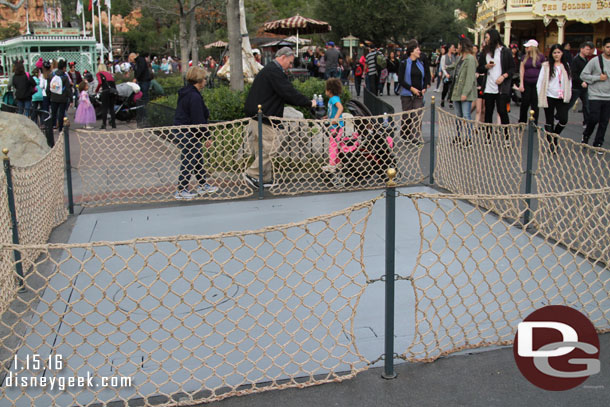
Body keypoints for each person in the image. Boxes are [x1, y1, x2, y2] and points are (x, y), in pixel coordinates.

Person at [243, 47, 316, 187]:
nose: (291, 65)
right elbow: (288, 92)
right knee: (271, 148)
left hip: (259, 115)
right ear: (282, 57)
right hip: (264, 117)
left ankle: (264, 178)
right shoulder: (274, 72)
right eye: (290, 62)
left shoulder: (270, 70)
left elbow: (283, 93)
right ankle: (252, 173)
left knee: (262, 149)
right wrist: (308, 103)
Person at [172, 66, 218, 200]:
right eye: (204, 79)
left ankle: (202, 184)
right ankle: (181, 189)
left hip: (183, 129)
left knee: (197, 158)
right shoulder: (194, 96)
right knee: (189, 159)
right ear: (199, 80)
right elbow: (198, 118)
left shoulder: (187, 93)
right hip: (188, 131)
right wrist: (207, 136)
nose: (206, 81)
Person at [537, 43, 572, 152]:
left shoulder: (565, 65)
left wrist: (568, 92)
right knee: (549, 119)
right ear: (551, 54)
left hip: (561, 96)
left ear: (562, 53)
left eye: (559, 52)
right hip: (549, 95)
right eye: (554, 53)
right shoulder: (546, 66)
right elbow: (540, 81)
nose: (557, 55)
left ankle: (555, 136)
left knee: (563, 119)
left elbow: (569, 81)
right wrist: (540, 94)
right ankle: (551, 143)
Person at [478, 28, 514, 130]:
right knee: (488, 112)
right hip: (489, 86)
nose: (485, 40)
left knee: (502, 111)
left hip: (501, 87)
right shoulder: (485, 52)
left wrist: (503, 76)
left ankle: (507, 136)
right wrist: (486, 66)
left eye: (487, 38)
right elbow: (480, 68)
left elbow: (512, 69)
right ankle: (488, 137)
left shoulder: (505, 51)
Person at [580, 37, 610, 149]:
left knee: (604, 121)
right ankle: (586, 135)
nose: (609, 49)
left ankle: (598, 143)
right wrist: (598, 78)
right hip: (595, 95)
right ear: (603, 48)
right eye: (607, 47)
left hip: (608, 96)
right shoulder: (595, 61)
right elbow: (583, 75)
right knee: (594, 118)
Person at [398, 42, 429, 143]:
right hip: (407, 93)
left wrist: (424, 88)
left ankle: (415, 136)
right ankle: (405, 133)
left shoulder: (421, 63)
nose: (419, 52)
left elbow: (425, 77)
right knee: (407, 115)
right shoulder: (404, 63)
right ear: (412, 51)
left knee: (417, 114)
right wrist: (412, 89)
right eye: (417, 50)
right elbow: (401, 80)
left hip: (419, 93)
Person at [450, 37, 477, 123]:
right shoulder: (460, 58)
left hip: (465, 92)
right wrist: (445, 67)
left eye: (458, 45)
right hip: (457, 89)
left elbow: (470, 78)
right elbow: (455, 67)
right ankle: (458, 135)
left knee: (466, 115)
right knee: (458, 115)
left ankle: (468, 135)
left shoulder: (470, 59)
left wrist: (465, 93)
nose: (457, 47)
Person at [518, 39, 545, 124]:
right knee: (524, 103)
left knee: (535, 104)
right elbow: (521, 70)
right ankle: (522, 121)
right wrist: (521, 83)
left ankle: (534, 122)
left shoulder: (541, 57)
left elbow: (544, 70)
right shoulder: (524, 57)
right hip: (526, 82)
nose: (526, 48)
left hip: (537, 83)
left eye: (528, 46)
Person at [568, 41, 594, 128]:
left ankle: (586, 122)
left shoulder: (586, 60)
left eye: (589, 50)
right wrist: (581, 81)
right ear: (581, 49)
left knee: (587, 105)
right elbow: (573, 74)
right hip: (576, 87)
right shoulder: (576, 60)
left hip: (585, 87)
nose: (588, 51)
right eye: (587, 49)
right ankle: (559, 116)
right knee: (570, 104)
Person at [322, 78, 344, 172]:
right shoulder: (332, 99)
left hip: (336, 127)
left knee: (333, 145)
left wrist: (335, 119)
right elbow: (333, 111)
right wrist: (328, 117)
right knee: (337, 145)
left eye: (326, 89)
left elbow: (340, 108)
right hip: (335, 127)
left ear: (329, 90)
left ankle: (332, 164)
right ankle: (338, 163)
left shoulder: (334, 99)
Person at [49, 59, 72, 142]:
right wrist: (71, 98)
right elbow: (68, 89)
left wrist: (49, 96)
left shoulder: (52, 75)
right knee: (61, 113)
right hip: (62, 97)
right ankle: (61, 128)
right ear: (64, 67)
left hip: (53, 97)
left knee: (53, 112)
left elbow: (49, 87)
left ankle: (52, 126)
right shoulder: (65, 77)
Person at [95, 64, 117, 129]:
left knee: (104, 108)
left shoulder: (99, 74)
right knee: (111, 108)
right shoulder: (109, 74)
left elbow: (100, 83)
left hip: (105, 91)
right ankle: (113, 124)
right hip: (112, 91)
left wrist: (96, 90)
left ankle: (104, 124)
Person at [440, 44, 457, 108]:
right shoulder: (444, 57)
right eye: (453, 47)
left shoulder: (454, 57)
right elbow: (442, 66)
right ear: (449, 48)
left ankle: (451, 102)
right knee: (445, 89)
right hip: (446, 75)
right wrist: (446, 74)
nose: (454, 48)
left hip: (452, 75)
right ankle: (442, 99)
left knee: (452, 89)